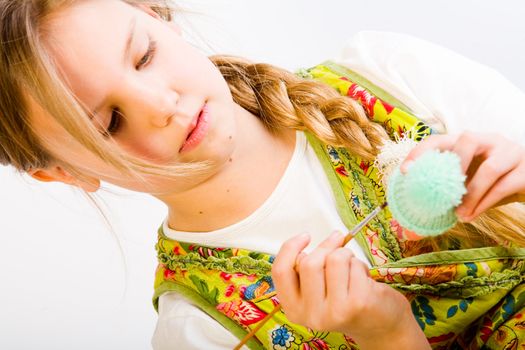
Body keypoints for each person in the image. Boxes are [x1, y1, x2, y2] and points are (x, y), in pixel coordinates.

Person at [0, 0, 524, 349]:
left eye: (144, 56)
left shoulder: (387, 70)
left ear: (157, 14)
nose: (162, 105)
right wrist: (386, 334)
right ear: (62, 173)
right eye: (110, 122)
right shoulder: (200, 330)